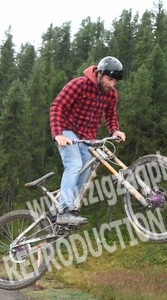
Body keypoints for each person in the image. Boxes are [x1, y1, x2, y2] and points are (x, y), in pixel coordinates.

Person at [49, 56, 127, 226]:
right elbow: (57, 107)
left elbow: (110, 115)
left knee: (84, 174)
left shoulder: (111, 94)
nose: (112, 84)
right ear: (99, 74)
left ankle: (60, 209)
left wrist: (115, 130)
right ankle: (65, 210)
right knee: (74, 164)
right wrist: (58, 134)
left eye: (115, 81)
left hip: (87, 138)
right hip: (68, 131)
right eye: (109, 79)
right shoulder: (79, 85)